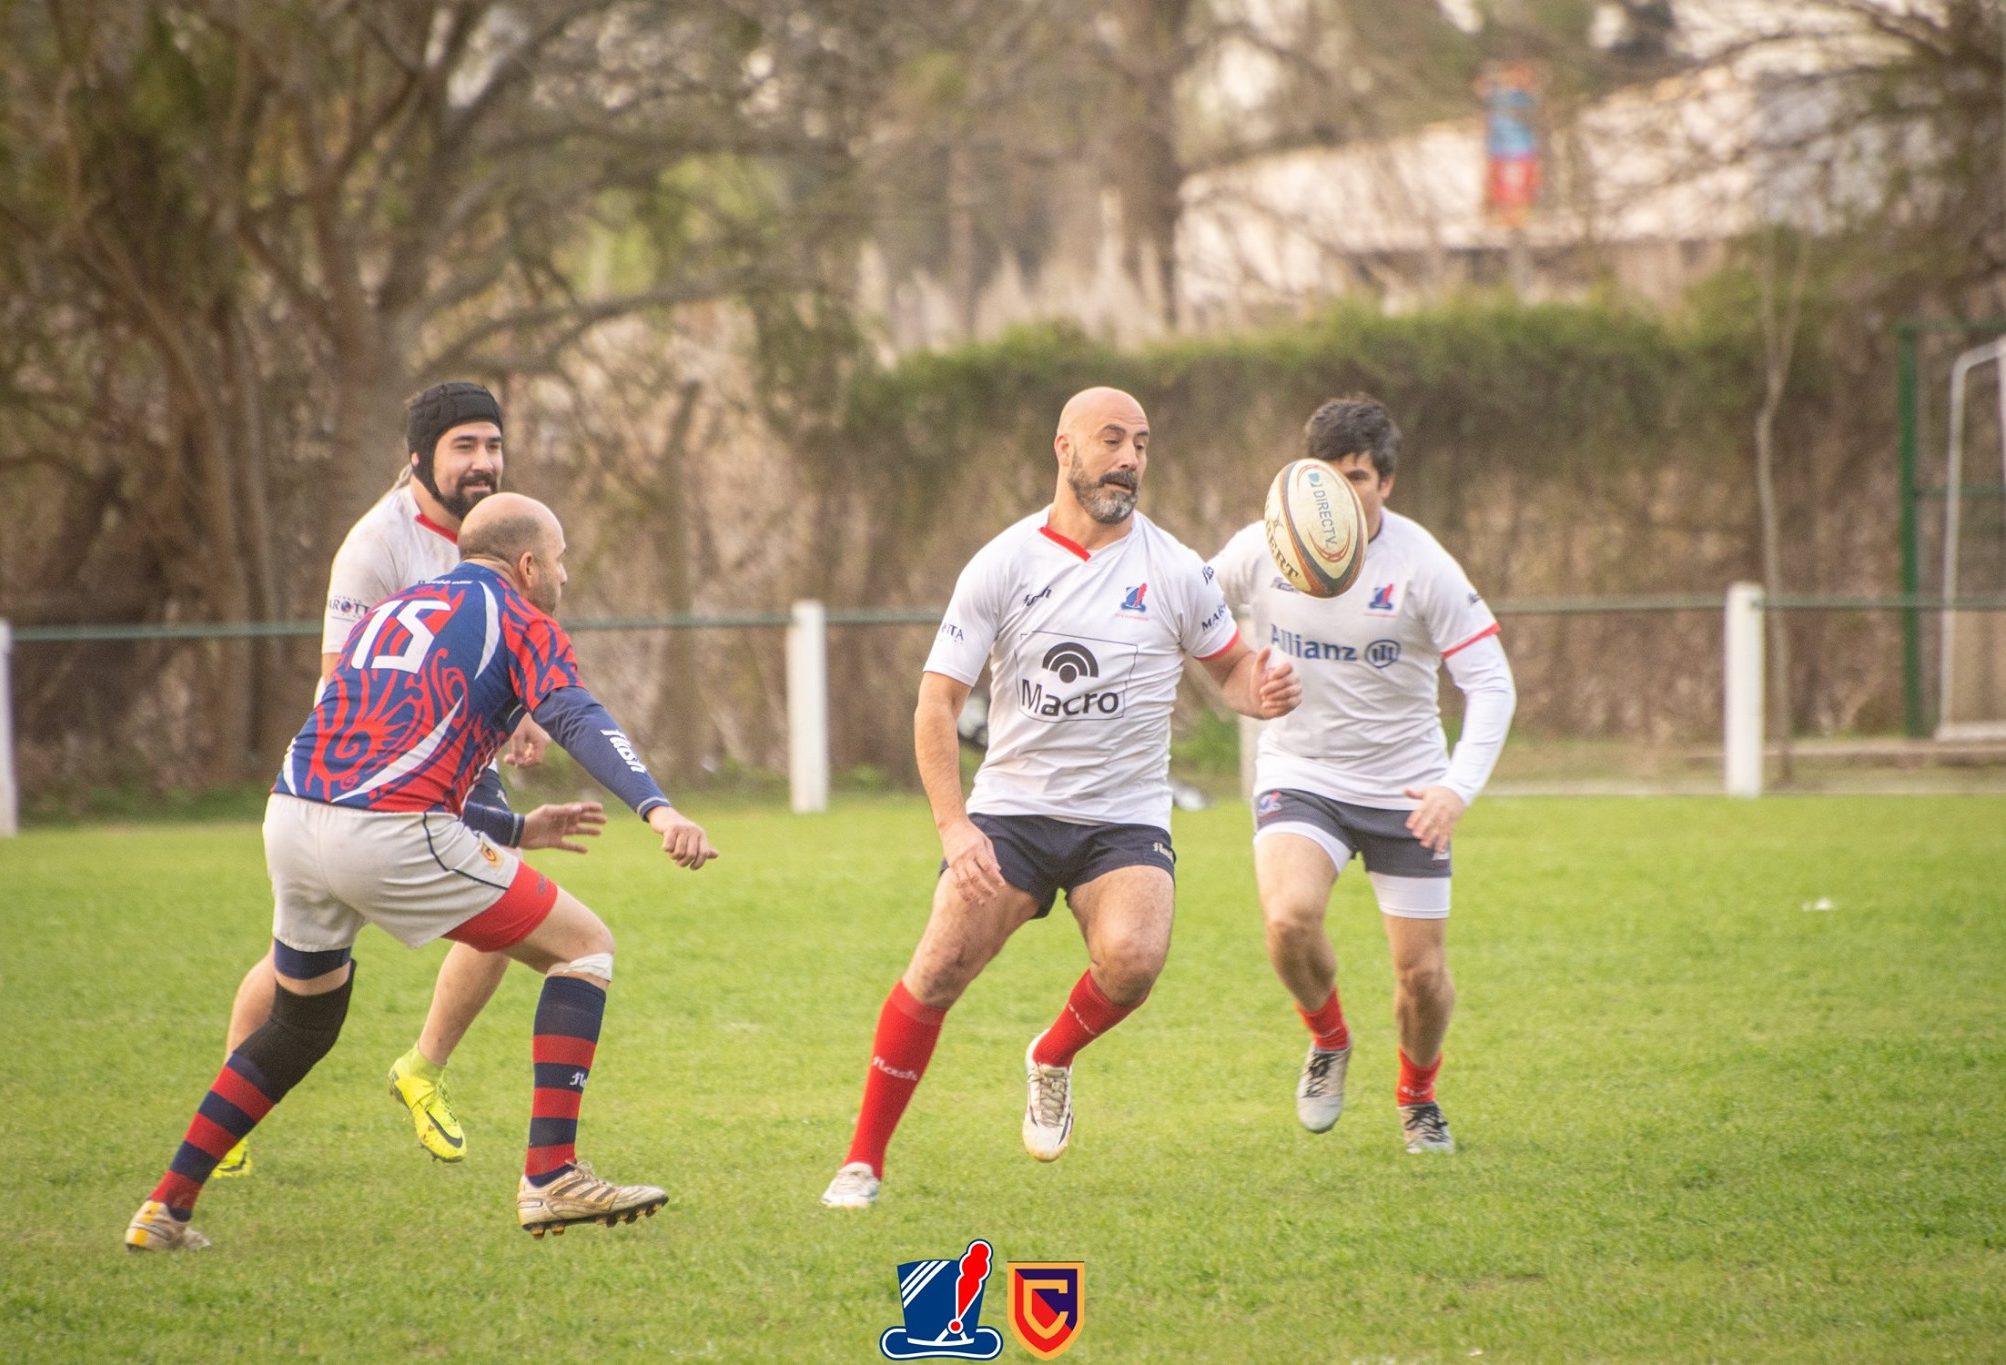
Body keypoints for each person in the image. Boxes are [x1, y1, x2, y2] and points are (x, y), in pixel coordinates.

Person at [125, 494, 719, 1250]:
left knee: (301, 1020)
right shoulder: (520, 615)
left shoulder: (396, 608)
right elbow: (574, 713)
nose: (564, 576)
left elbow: (388, 748)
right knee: (584, 946)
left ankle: (165, 1207)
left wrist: (513, 827)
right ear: (528, 564)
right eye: (561, 560)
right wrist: (658, 809)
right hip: (387, 832)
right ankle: (551, 1176)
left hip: (293, 817)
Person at [819, 386, 1301, 1209]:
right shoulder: (1004, 563)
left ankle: (1052, 1053)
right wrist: (954, 824)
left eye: (1142, 445)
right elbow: (936, 701)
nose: (1129, 459)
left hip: (1124, 816)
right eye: (1112, 439)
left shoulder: (1177, 569)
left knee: (1135, 960)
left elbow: (1230, 668)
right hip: (1012, 812)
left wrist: (1263, 685)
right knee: (936, 967)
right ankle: (862, 1161)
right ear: (1064, 449)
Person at [214, 381, 561, 1178]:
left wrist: (523, 716)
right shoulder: (376, 547)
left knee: (509, 907)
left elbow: (511, 638)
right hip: (365, 778)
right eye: (464, 447)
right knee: (302, 962)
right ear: (418, 457)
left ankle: (422, 1068)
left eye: (493, 445)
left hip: (452, 763)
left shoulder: (498, 531)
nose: (484, 463)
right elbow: (335, 685)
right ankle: (228, 1114)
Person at [1208, 394, 1515, 1155]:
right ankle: (1330, 1039)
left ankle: (1418, 1097)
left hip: (1406, 787)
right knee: (1287, 919)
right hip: (1302, 770)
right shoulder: (1264, 547)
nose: (1343, 497)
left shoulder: (1422, 567)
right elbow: (1184, 612)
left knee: (1421, 976)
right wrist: (1242, 677)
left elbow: (1492, 682)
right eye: (1329, 479)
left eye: (1358, 479)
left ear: (1388, 482)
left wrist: (1455, 787)